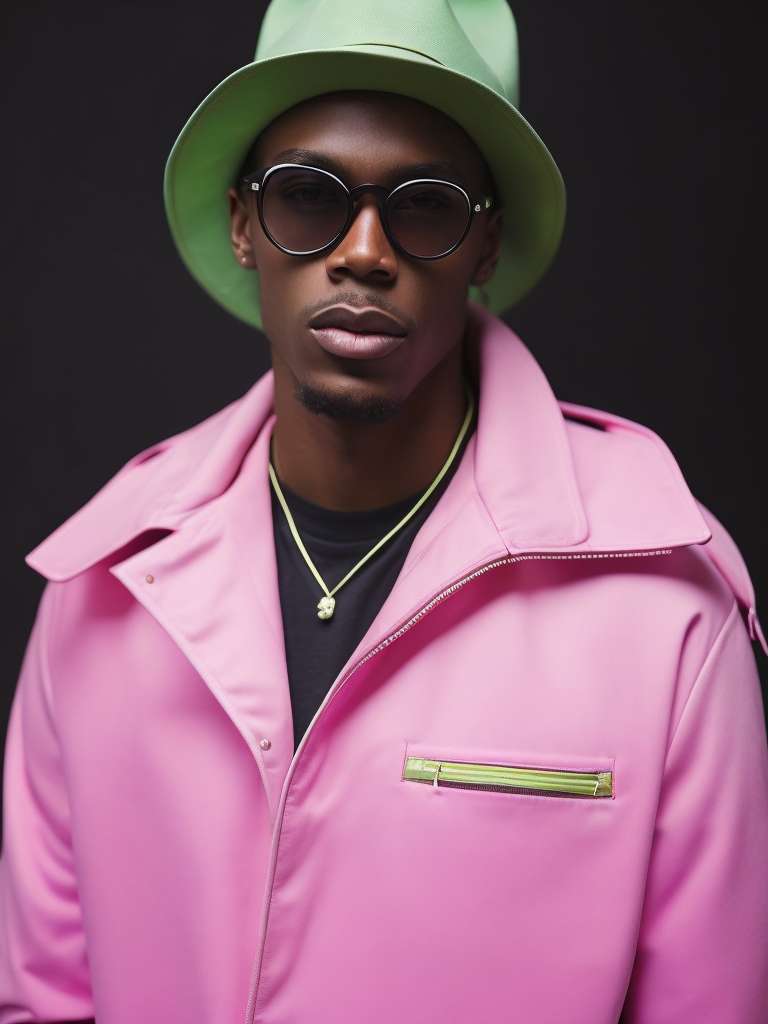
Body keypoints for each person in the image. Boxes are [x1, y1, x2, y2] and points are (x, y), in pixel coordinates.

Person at [1, 0, 767, 1021]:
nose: (364, 251)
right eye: (310, 197)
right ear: (242, 224)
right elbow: (45, 999)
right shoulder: (100, 585)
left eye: (425, 204)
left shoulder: (668, 602)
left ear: (485, 245)